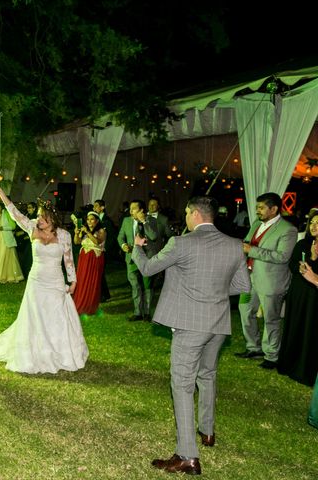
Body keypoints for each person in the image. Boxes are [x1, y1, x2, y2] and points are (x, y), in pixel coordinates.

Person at [132, 196, 251, 475]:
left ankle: (187, 455)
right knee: (207, 375)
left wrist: (138, 250)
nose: (185, 217)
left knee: (182, 385)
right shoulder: (234, 245)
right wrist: (213, 291)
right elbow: (242, 284)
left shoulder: (181, 243)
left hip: (190, 325)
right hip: (218, 325)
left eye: (186, 213)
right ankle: (207, 432)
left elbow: (149, 268)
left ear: (195, 214)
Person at [0, 183, 88, 374]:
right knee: (35, 317)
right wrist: (0, 193)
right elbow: (14, 213)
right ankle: (35, 351)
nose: (38, 219)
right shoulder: (31, 227)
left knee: (56, 316)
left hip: (55, 281)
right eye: (38, 215)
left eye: (42, 216)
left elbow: (68, 259)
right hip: (36, 281)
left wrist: (73, 281)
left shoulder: (63, 235)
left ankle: (59, 352)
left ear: (52, 218)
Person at [236, 192, 298, 369]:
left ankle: (271, 355)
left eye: (261, 207)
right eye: (257, 207)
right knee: (245, 310)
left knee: (271, 319)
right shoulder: (256, 223)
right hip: (249, 278)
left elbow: (282, 257)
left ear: (274, 209)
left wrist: (251, 250)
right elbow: (248, 241)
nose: (257, 211)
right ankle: (253, 347)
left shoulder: (288, 230)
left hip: (272, 282)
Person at [278, 212, 318, 385]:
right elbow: (293, 265)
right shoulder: (303, 243)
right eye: (312, 223)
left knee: (310, 328)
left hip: (314, 295)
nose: (314, 226)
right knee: (295, 325)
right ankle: (290, 363)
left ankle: (305, 369)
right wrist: (310, 259)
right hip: (299, 292)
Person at [117, 199, 159, 321]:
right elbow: (120, 236)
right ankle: (137, 312)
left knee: (147, 286)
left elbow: (153, 236)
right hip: (131, 258)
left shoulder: (152, 220)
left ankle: (147, 313)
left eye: (134, 208)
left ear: (141, 210)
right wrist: (123, 245)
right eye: (130, 208)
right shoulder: (126, 221)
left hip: (146, 258)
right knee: (135, 286)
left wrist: (143, 221)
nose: (130, 211)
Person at [72, 211, 106, 315]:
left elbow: (97, 242)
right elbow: (76, 242)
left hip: (95, 257)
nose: (89, 221)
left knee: (92, 280)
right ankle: (80, 302)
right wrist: (77, 233)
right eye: (88, 219)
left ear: (96, 221)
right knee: (81, 280)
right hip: (84, 257)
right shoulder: (84, 230)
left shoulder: (101, 231)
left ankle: (89, 305)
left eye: (92, 219)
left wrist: (87, 232)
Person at [0, 201, 24, 283]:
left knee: (3, 255)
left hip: (4, 238)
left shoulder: (7, 214)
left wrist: (3, 227)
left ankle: (4, 276)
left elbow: (13, 226)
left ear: (2, 208)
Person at [93, 199, 115, 301]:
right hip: (96, 250)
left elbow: (111, 237)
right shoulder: (94, 221)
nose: (94, 208)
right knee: (98, 273)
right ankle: (103, 294)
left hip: (103, 251)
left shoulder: (107, 221)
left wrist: (106, 249)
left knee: (100, 273)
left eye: (96, 206)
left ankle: (104, 295)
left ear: (102, 207)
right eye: (94, 206)